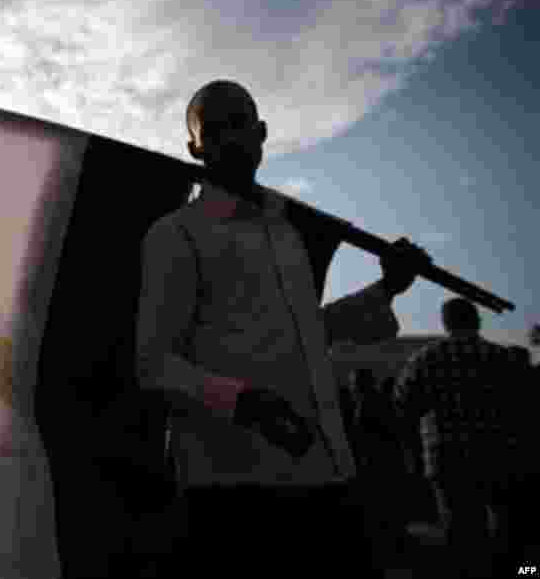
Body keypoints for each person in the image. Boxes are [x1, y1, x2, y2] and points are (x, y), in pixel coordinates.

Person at [134, 80, 430, 576]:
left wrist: (387, 289)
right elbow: (153, 364)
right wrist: (239, 400)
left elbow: (310, 334)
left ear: (262, 132)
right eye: (216, 129)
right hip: (233, 493)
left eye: (240, 124)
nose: (230, 138)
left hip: (328, 475)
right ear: (196, 147)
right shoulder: (176, 235)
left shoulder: (288, 231)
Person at [394, 297, 531, 577]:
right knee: (503, 527)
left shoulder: (424, 359)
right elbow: (524, 407)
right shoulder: (503, 358)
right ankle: (519, 572)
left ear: (445, 323)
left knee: (460, 531)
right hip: (498, 453)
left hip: (446, 457)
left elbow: (404, 406)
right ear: (477, 320)